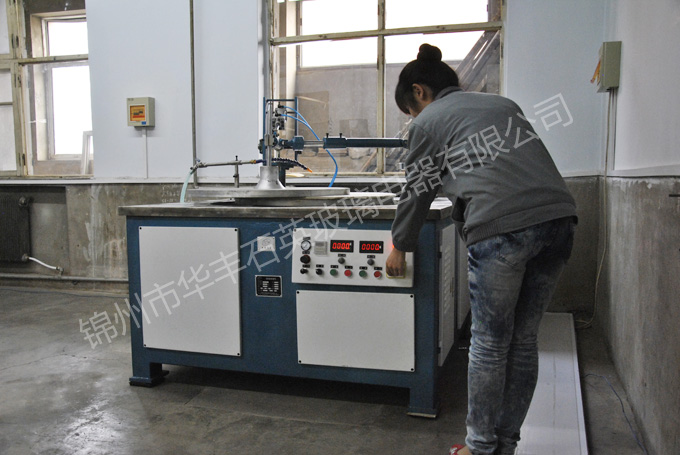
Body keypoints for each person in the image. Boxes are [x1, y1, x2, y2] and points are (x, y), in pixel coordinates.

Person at [385, 44, 577, 455]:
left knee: (489, 343)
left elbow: (417, 190)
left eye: (411, 111)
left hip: (503, 230)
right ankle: (505, 444)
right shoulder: (503, 105)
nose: (414, 119)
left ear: (419, 92)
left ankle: (479, 447)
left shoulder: (430, 121)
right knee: (523, 342)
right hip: (559, 220)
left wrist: (400, 244)